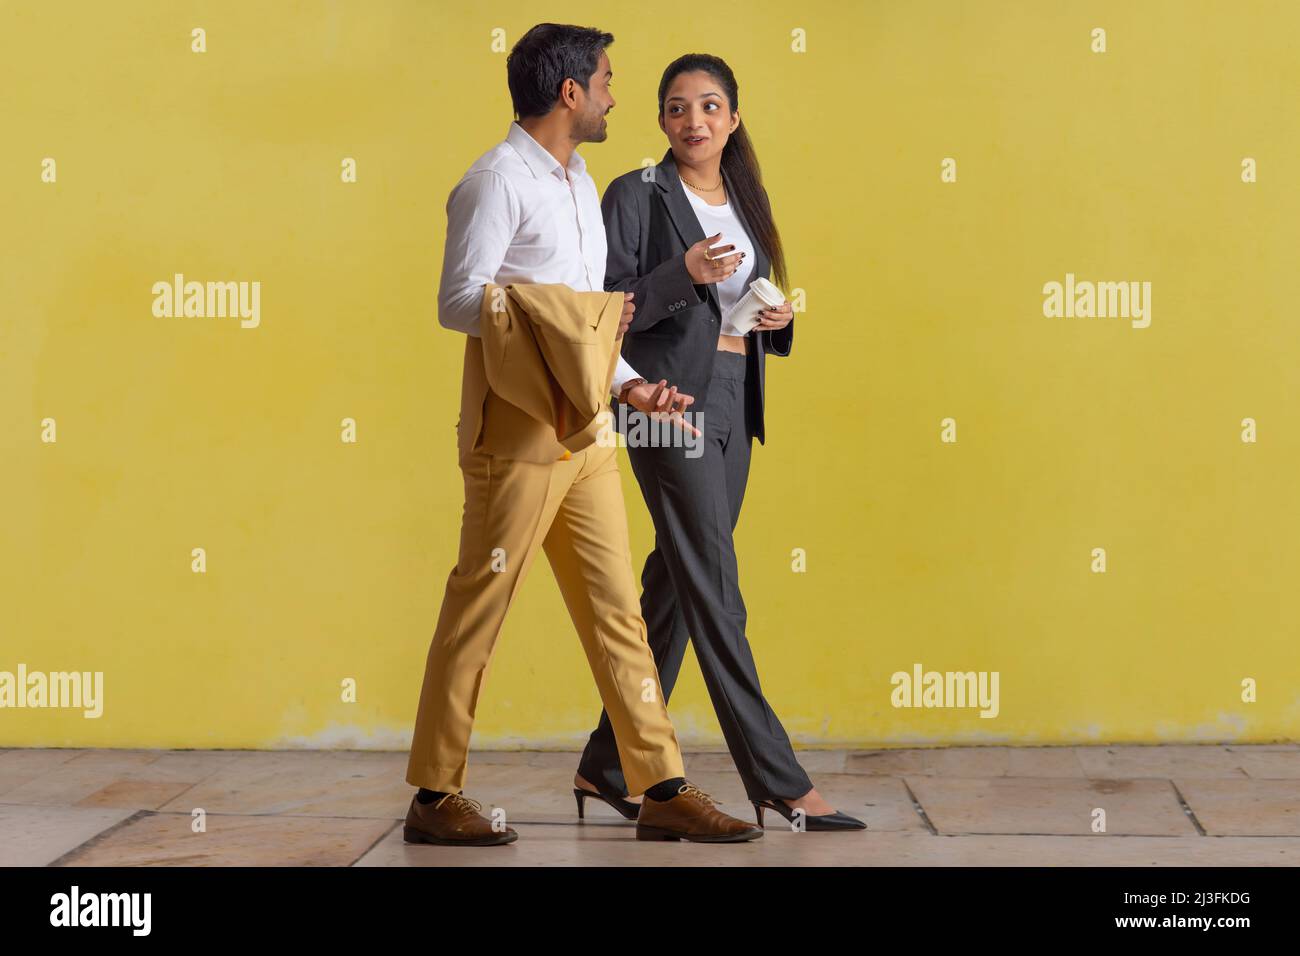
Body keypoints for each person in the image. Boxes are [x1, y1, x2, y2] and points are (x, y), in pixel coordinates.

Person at [403, 26, 762, 846]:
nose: (611, 94)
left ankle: (660, 783)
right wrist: (567, 318)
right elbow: (460, 300)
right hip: (521, 432)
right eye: (604, 80)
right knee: (479, 605)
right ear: (569, 92)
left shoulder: (578, 180)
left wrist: (631, 381)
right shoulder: (495, 182)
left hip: (590, 428)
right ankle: (432, 794)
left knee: (618, 617)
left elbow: (595, 326)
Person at [573, 53, 866, 831]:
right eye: (676, 108)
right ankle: (776, 778)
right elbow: (602, 307)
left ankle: (607, 763)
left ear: (733, 117)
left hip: (737, 396)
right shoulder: (634, 194)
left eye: (709, 106)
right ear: (661, 120)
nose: (693, 121)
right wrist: (682, 270)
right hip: (665, 404)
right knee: (715, 585)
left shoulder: (744, 195)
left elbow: (751, 298)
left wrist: (783, 319)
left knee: (678, 580)